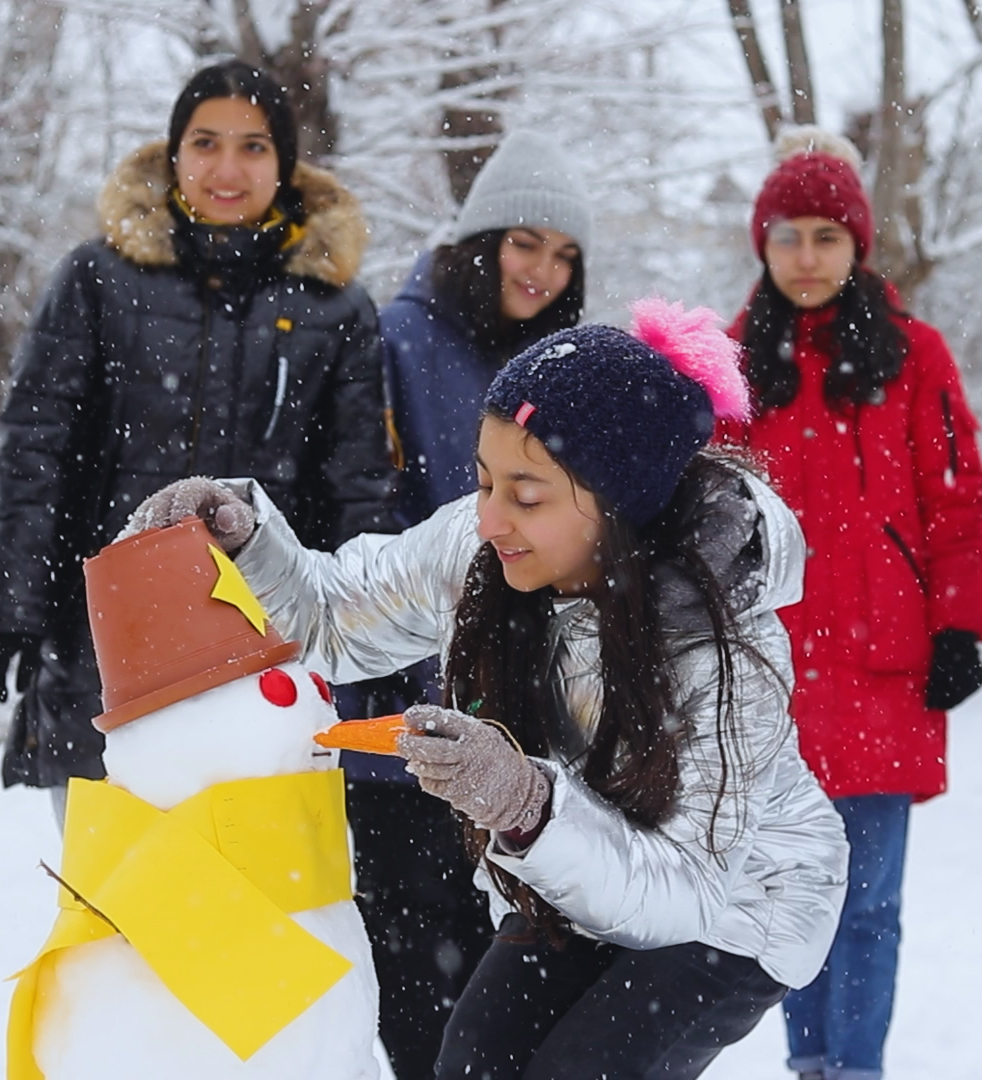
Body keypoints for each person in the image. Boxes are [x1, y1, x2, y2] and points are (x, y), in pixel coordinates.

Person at [126, 301, 849, 1080]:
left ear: (619, 506)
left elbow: (686, 885)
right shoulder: (481, 551)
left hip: (734, 905)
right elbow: (332, 619)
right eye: (483, 480)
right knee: (472, 1064)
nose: (489, 516)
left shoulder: (720, 643)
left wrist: (525, 804)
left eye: (527, 495)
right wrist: (243, 537)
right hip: (562, 867)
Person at [0, 60, 394, 816]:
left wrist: (374, 637)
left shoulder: (335, 306)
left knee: (255, 906)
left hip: (267, 647)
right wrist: (10, 611)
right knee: (115, 906)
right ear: (174, 155)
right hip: (109, 639)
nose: (227, 168)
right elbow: (36, 453)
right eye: (206, 143)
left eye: (254, 146)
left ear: (284, 163)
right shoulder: (97, 281)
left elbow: (356, 488)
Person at [721, 128, 982, 1080]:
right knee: (795, 896)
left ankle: (858, 1067)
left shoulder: (915, 356)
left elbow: (957, 500)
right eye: (789, 235)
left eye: (826, 237)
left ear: (857, 246)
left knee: (871, 901)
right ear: (764, 244)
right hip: (770, 671)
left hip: (886, 665)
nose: (807, 257)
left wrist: (961, 622)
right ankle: (811, 1065)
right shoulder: (728, 363)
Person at [357, 130, 593, 1080]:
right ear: (480, 240)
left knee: (524, 968)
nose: (544, 269)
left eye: (566, 254)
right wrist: (440, 652)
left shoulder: (571, 360)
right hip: (412, 711)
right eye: (525, 242)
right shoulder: (400, 340)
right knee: (421, 972)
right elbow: (371, 513)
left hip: (531, 723)